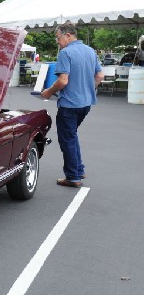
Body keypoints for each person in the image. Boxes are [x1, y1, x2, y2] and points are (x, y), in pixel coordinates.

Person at [41, 21, 104, 188]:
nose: (57, 41)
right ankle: (79, 169)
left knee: (67, 139)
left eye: (58, 37)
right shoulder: (90, 51)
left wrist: (48, 92)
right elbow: (100, 76)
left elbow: (62, 81)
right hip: (86, 103)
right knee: (72, 135)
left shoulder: (66, 53)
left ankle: (73, 177)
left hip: (69, 104)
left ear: (68, 35)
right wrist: (88, 89)